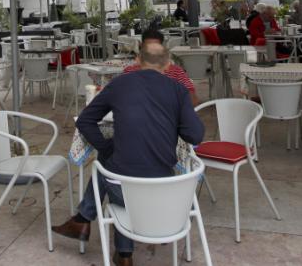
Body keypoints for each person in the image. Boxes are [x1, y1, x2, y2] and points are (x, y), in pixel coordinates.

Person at [52, 42, 205, 266]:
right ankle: (102, 237)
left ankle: (104, 237)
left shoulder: (120, 84)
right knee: (115, 164)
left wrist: (105, 147)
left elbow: (85, 121)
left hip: (125, 191)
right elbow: (196, 136)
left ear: (137, 61)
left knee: (108, 165)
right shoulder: (178, 91)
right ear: (168, 64)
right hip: (168, 194)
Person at [122, 30, 199, 106]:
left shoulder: (175, 71)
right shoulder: (130, 71)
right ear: (141, 47)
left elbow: (193, 100)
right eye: (148, 47)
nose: (152, 52)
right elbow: (122, 98)